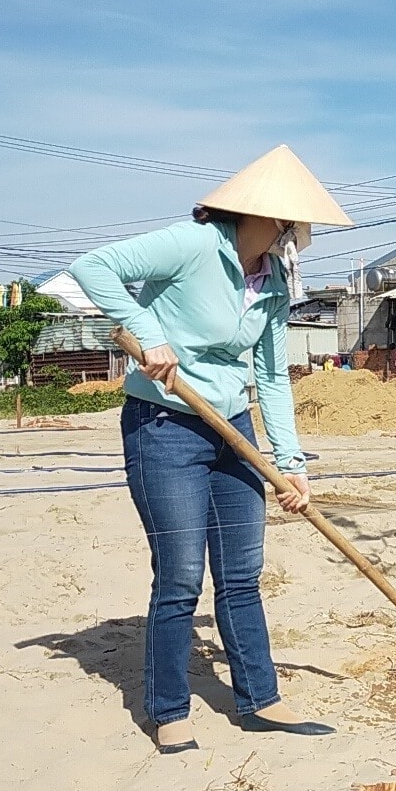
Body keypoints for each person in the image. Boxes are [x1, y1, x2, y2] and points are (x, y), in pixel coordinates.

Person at [69, 145, 347, 754]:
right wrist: (147, 336)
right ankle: (168, 709)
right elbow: (95, 267)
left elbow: (273, 375)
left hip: (233, 428)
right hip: (164, 426)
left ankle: (260, 700)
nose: (299, 235)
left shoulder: (272, 280)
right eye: (293, 222)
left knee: (242, 573)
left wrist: (290, 465)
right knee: (181, 577)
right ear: (264, 216)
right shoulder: (193, 245)